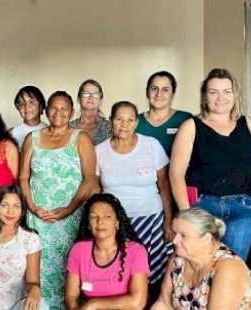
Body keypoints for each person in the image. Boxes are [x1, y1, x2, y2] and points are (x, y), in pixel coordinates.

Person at [170, 68, 251, 259]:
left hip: (243, 210)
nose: (221, 97)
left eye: (227, 91)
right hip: (204, 207)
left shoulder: (249, 125)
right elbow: (175, 174)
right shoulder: (191, 127)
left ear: (235, 94)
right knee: (199, 264)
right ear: (204, 97)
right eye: (213, 92)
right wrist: (187, 214)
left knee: (233, 266)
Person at [19, 91, 98, 310]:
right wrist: (33, 207)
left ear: (72, 112)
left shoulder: (80, 137)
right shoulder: (32, 138)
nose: (59, 113)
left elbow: (89, 178)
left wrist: (68, 209)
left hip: (69, 219)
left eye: (64, 108)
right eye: (54, 107)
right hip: (37, 218)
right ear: (46, 111)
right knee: (36, 268)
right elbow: (23, 177)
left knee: (69, 269)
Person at [95, 101, 173, 289]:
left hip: (151, 220)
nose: (124, 124)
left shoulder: (151, 145)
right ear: (110, 121)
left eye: (130, 120)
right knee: (119, 276)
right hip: (115, 224)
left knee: (152, 277)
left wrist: (169, 221)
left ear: (136, 123)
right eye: (119, 119)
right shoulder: (99, 151)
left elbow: (164, 184)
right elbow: (96, 190)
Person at [151, 207, 251, 310]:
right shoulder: (178, 258)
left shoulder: (228, 268)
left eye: (183, 236)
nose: (175, 241)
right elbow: (164, 303)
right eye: (175, 233)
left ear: (206, 238)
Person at [65, 194, 150, 310]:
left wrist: (94, 304)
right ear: (88, 224)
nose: (100, 222)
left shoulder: (136, 251)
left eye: (107, 216)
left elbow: (137, 302)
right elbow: (70, 296)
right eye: (93, 217)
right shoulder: (79, 250)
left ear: (117, 222)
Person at [0, 185, 47, 310]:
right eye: (5, 205)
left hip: (20, 302)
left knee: (41, 307)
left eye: (16, 206)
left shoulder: (31, 238)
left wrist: (35, 290)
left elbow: (32, 281)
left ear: (22, 211)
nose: (10, 211)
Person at [136, 71, 192, 157]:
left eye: (165, 90)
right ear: (147, 92)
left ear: (173, 94)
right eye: (154, 89)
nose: (159, 94)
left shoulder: (185, 119)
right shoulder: (134, 121)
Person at [70, 79, 113, 146]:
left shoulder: (110, 127)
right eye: (86, 93)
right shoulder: (68, 127)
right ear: (78, 98)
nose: (91, 97)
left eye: (96, 94)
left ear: (100, 100)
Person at [8, 86, 48, 152]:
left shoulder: (51, 132)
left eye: (31, 102)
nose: (26, 107)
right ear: (18, 107)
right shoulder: (11, 134)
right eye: (22, 103)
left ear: (40, 106)